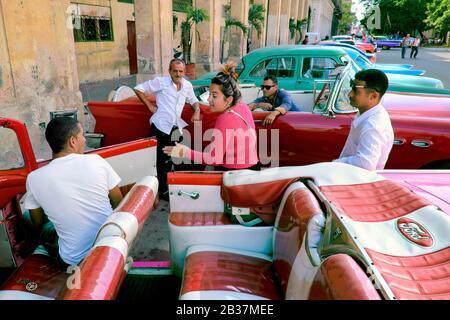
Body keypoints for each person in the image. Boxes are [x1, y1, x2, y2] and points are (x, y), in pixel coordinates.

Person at [23, 117, 123, 267]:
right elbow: (118, 203)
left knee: (27, 217)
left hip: (72, 260)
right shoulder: (97, 161)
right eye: (82, 135)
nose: (84, 140)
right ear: (72, 141)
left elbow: (37, 222)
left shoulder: (34, 178)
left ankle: (30, 256)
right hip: (109, 246)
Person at [163, 62, 259, 172]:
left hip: (235, 176)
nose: (209, 99)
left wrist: (185, 152)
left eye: (214, 95)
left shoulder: (225, 119)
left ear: (229, 100)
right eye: (209, 94)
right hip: (253, 170)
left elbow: (214, 159)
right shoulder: (243, 106)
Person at [134, 58, 201, 200]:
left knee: (180, 158)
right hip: (160, 126)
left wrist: (197, 111)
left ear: (184, 72)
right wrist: (150, 106)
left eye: (181, 71)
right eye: (175, 71)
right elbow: (139, 88)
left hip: (176, 127)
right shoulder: (161, 82)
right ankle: (163, 192)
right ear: (169, 71)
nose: (178, 74)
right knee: (161, 161)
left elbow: (194, 100)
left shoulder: (187, 85)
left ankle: (178, 188)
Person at [333, 69, 394, 171]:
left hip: (355, 180)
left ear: (373, 95)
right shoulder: (368, 112)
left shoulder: (373, 126)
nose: (350, 94)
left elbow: (365, 164)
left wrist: (335, 164)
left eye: (355, 90)